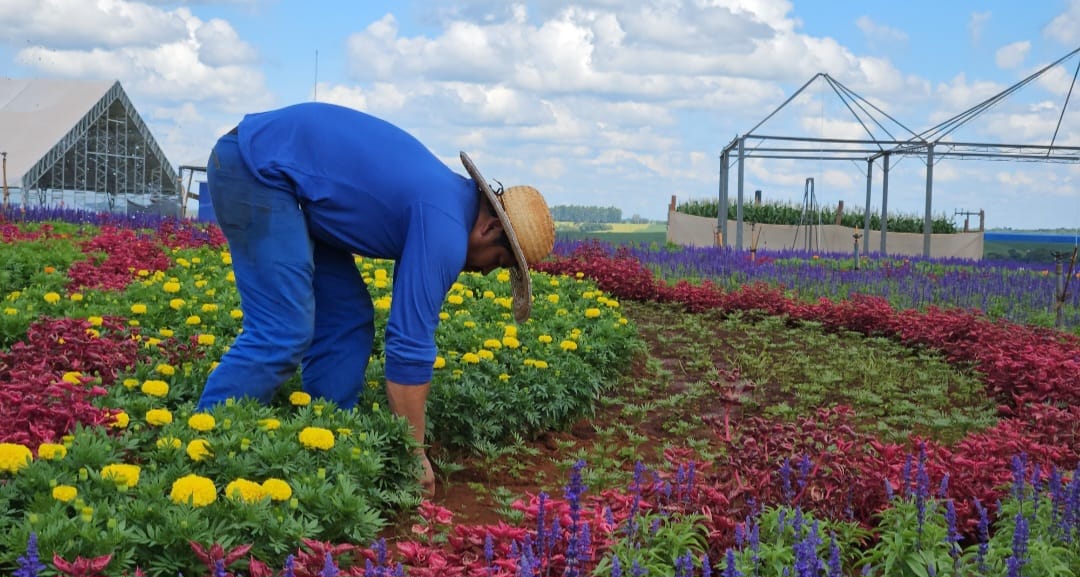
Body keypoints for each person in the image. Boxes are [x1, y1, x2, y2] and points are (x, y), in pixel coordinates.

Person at [194, 102, 555, 495]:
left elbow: (407, 331)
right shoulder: (447, 226)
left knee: (346, 319)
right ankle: (202, 453)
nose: (485, 272)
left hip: (287, 180)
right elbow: (409, 345)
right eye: (498, 262)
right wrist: (414, 455)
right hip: (256, 166)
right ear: (488, 229)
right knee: (281, 331)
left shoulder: (446, 202)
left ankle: (324, 447)